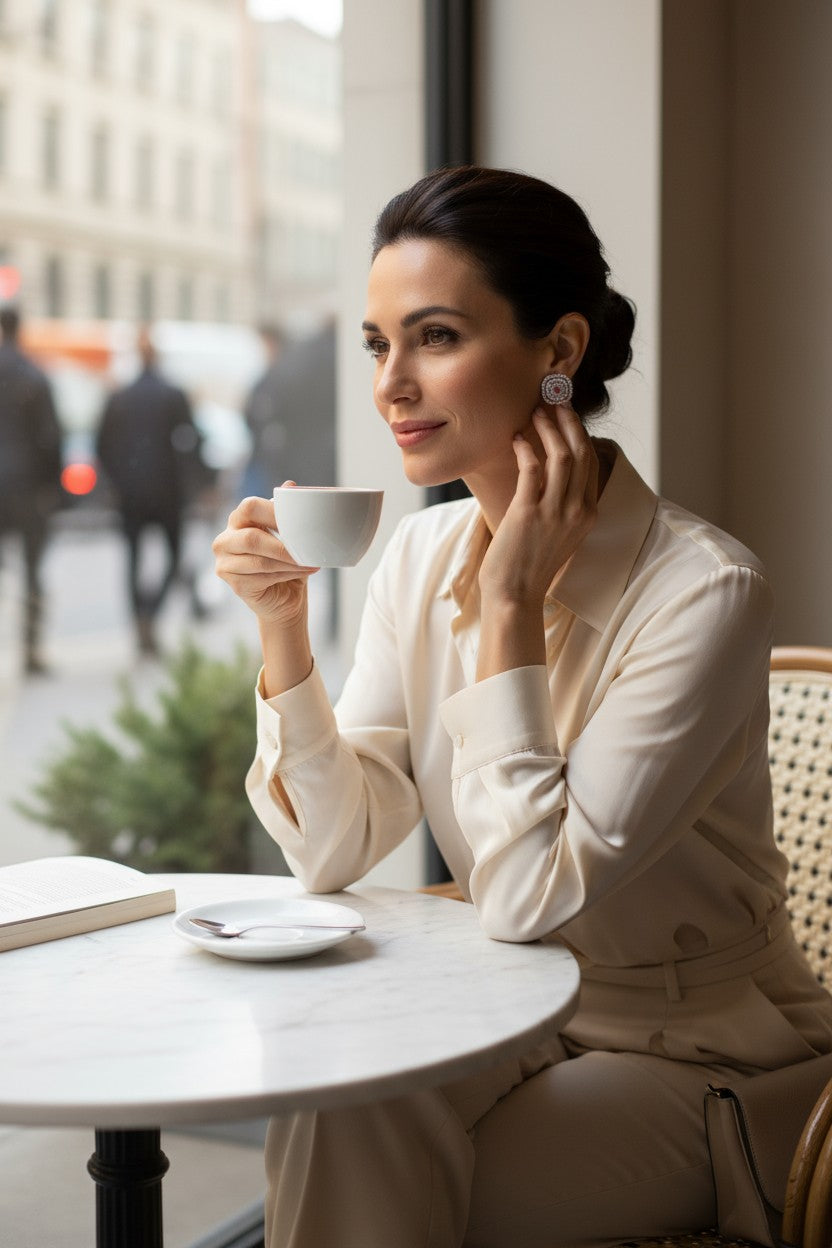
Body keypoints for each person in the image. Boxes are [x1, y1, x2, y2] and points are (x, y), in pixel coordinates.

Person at [212, 166, 832, 1247]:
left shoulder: (704, 592)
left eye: (436, 336)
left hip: (694, 1046)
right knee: (344, 1098)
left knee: (403, 1199)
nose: (391, 385)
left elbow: (524, 893)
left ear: (558, 353)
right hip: (509, 1008)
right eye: (377, 342)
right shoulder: (418, 551)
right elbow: (333, 850)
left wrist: (506, 604)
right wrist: (281, 632)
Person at [97, 326, 199, 656]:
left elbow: (102, 446)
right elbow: (191, 443)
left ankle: (139, 621)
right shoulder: (173, 394)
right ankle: (150, 615)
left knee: (133, 558)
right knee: (173, 556)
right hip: (168, 492)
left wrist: (115, 482)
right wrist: (196, 485)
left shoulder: (120, 397)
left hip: (131, 493)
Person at [0, 305, 62, 675]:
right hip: (27, 486)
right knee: (33, 570)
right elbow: (50, 438)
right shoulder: (34, 377)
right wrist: (50, 486)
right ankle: (30, 649)